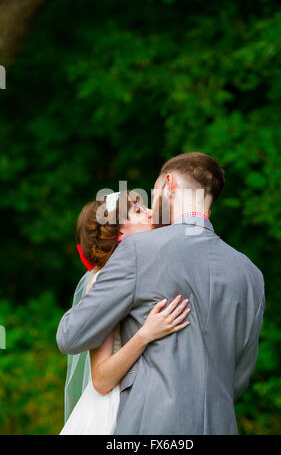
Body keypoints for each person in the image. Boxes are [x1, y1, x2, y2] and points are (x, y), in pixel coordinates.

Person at [57, 152, 265, 435]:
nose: (152, 211)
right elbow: (239, 378)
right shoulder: (250, 273)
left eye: (152, 195)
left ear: (168, 185)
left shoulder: (139, 250)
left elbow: (70, 336)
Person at [60, 191, 189, 434]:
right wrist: (146, 334)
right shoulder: (104, 280)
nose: (151, 212)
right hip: (112, 413)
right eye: (139, 211)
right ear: (120, 233)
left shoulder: (146, 267)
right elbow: (101, 380)